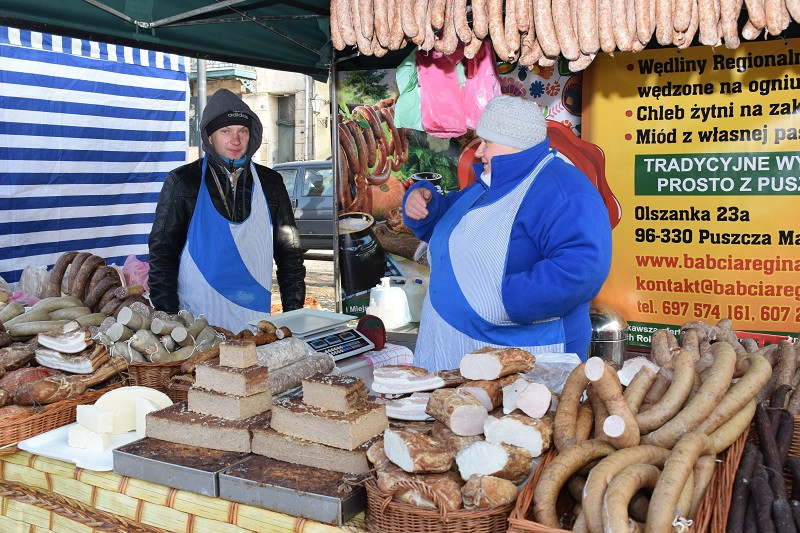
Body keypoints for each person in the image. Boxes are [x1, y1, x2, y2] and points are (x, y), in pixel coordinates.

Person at [403, 95, 612, 372]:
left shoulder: (566, 190)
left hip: (524, 356)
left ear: (514, 143)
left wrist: (504, 300)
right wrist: (423, 205)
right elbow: (450, 227)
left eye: (487, 142)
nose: (478, 152)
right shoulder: (488, 184)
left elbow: (581, 270)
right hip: (449, 347)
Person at [148, 89, 305, 331]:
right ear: (209, 137)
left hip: (254, 325)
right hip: (196, 327)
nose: (236, 140)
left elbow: (290, 256)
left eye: (242, 131)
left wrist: (293, 318)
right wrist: (171, 322)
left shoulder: (271, 184)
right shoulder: (182, 182)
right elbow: (162, 256)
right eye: (226, 131)